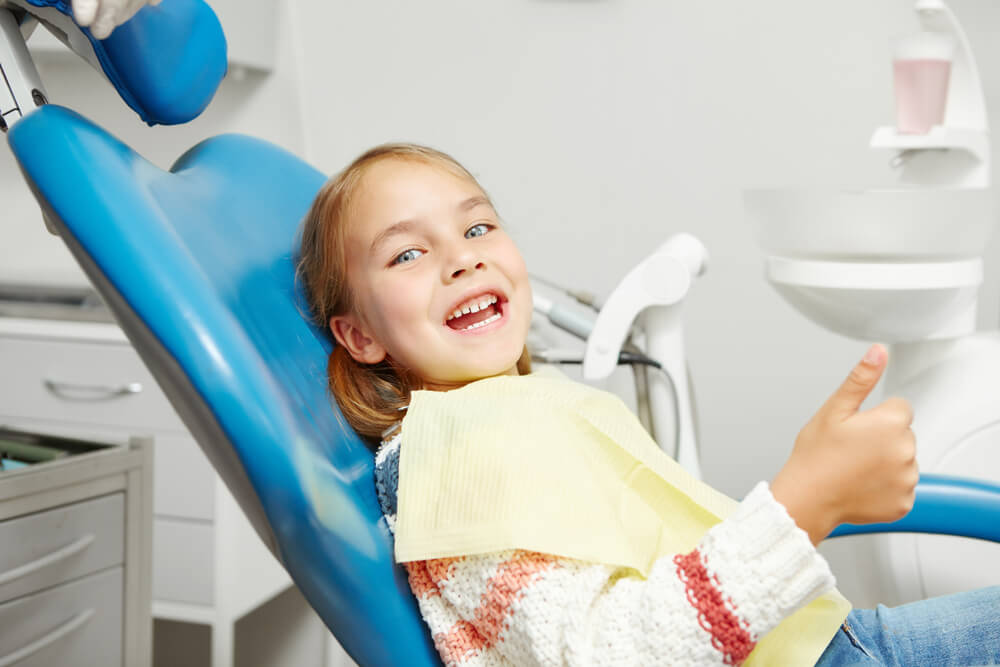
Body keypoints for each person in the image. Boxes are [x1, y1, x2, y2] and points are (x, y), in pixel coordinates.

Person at [296, 143, 1000, 666]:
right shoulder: (454, 459)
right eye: (407, 254)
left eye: (477, 228)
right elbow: (618, 653)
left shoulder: (515, 413)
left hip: (832, 640)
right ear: (358, 335)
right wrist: (806, 503)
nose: (462, 258)